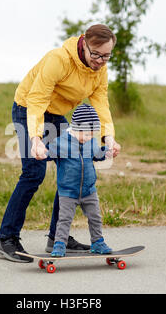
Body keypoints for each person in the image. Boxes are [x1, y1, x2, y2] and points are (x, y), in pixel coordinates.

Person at [0, 24, 121, 263]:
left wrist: (108, 138)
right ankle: (7, 239)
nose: (100, 61)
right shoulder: (59, 59)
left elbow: (101, 104)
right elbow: (37, 98)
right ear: (84, 44)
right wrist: (35, 139)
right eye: (96, 54)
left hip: (57, 115)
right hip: (28, 108)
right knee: (34, 173)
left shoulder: (99, 70)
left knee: (70, 169)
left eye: (106, 56)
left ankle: (57, 238)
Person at [47, 104, 112, 257]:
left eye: (92, 134)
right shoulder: (61, 143)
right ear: (75, 129)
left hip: (89, 190)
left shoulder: (90, 142)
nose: (90, 138)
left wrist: (106, 152)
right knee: (64, 220)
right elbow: (48, 152)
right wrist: (41, 151)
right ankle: (60, 244)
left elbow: (96, 154)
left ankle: (97, 242)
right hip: (68, 191)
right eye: (87, 134)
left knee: (95, 217)